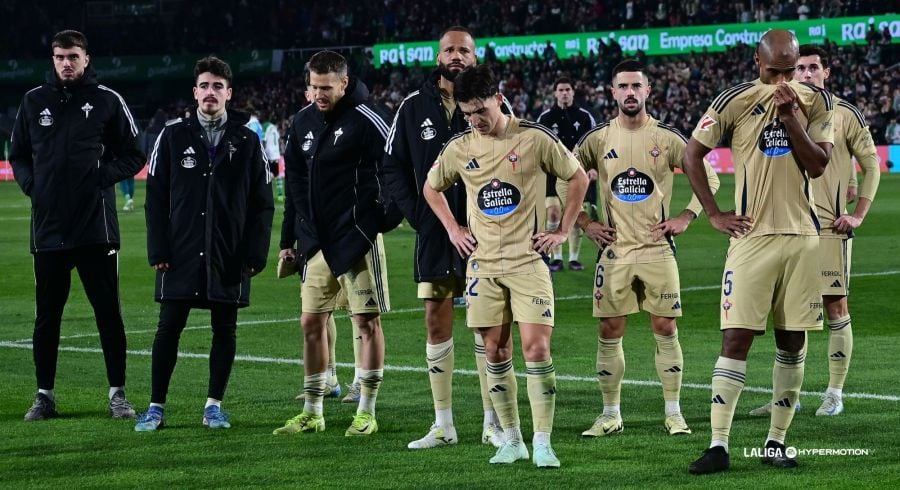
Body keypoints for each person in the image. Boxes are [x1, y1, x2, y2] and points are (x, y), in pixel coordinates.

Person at [684, 30, 835, 474]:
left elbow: (819, 164)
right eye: (775, 71)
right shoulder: (733, 100)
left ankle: (776, 441)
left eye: (790, 70)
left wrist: (790, 118)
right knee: (735, 338)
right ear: (757, 63)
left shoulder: (816, 102)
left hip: (802, 239)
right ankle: (718, 445)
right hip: (751, 238)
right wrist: (713, 213)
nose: (784, 79)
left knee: (793, 340)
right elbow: (693, 155)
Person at [424, 64, 589, 468]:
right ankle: (512, 439)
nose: (474, 120)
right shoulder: (461, 146)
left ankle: (544, 442)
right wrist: (453, 228)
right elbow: (431, 187)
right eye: (466, 113)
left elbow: (579, 177)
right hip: (483, 266)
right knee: (495, 351)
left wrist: (563, 230)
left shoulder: (533, 137)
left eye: (480, 110)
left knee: (537, 348)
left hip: (528, 262)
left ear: (499, 98)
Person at [572, 60, 719, 438]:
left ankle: (674, 412)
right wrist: (584, 222)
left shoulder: (667, 137)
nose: (630, 93)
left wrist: (687, 215)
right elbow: (565, 176)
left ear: (648, 91)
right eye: (623, 87)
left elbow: (710, 177)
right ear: (613, 92)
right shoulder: (598, 139)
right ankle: (610, 414)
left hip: (657, 249)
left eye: (637, 86)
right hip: (615, 251)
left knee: (665, 326)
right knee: (609, 329)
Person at [9, 30, 144, 421]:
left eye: (73, 56)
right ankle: (44, 396)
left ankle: (118, 394)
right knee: (47, 316)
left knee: (107, 313)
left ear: (86, 58)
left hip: (95, 229)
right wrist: (32, 185)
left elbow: (134, 152)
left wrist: (103, 176)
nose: (66, 63)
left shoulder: (107, 100)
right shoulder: (34, 101)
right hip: (48, 230)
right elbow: (18, 153)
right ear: (52, 60)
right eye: (59, 57)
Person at [135, 56, 274, 431]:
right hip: (179, 251)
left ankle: (213, 406)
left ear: (229, 93)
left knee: (225, 328)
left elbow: (263, 203)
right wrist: (157, 249)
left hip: (228, 252)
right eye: (204, 86)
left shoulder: (247, 140)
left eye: (217, 86)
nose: (210, 92)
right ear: (194, 92)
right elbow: (155, 197)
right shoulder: (173, 135)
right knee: (168, 328)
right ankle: (156, 407)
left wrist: (256, 253)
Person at [382, 25, 506, 450]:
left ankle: (493, 421)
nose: (457, 56)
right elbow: (392, 165)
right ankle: (443, 425)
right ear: (439, 56)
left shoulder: (490, 106)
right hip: (436, 233)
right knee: (436, 323)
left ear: (475, 56)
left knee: (486, 326)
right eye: (450, 50)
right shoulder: (413, 108)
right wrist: (418, 213)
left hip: (486, 236)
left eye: (464, 50)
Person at [749, 44, 880, 418]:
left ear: (827, 72)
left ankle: (834, 392)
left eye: (812, 68)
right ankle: (787, 397)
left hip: (827, 228)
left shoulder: (844, 112)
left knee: (834, 305)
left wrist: (858, 214)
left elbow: (872, 164)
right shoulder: (777, 106)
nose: (805, 74)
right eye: (799, 68)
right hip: (785, 228)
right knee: (788, 315)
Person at [274, 50, 398, 437]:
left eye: (325, 87)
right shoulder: (301, 122)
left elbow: (396, 167)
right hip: (315, 243)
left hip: (356, 238)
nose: (318, 94)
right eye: (312, 87)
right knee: (311, 322)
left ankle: (367, 410)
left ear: (343, 83)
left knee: (365, 321)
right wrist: (289, 239)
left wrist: (379, 222)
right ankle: (313, 410)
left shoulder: (367, 118)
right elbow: (294, 182)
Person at [536, 77, 597, 272]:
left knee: (576, 215)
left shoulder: (585, 117)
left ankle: (573, 258)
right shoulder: (545, 118)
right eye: (560, 89)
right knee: (553, 212)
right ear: (555, 93)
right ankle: (556, 257)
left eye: (567, 89)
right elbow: (536, 145)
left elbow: (594, 144)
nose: (564, 93)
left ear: (573, 92)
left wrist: (593, 166)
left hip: (578, 173)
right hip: (552, 173)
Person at [261, 110, 285, 202]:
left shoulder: (265, 126)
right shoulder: (274, 127)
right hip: (276, 154)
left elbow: (264, 140)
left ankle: (266, 195)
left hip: (268, 154)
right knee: (277, 175)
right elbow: (278, 140)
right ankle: (280, 195)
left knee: (267, 175)